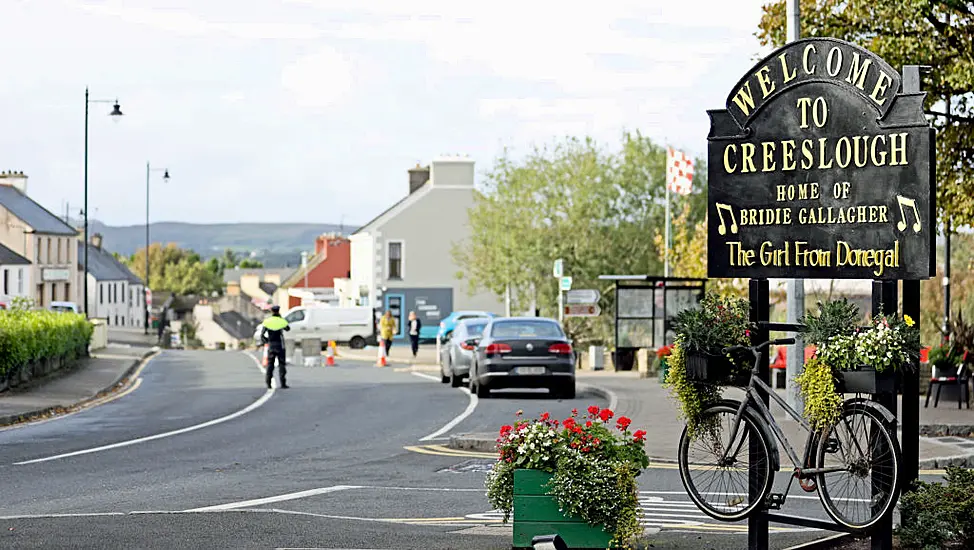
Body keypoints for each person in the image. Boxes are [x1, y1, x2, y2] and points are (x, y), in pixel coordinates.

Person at [260, 305, 291, 389]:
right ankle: (283, 383)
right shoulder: (281, 321)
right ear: (278, 311)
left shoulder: (268, 321)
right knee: (281, 364)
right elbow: (288, 328)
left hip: (271, 345)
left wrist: (266, 341)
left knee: (270, 364)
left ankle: (268, 383)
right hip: (280, 345)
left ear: (272, 311)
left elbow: (262, 335)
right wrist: (281, 319)